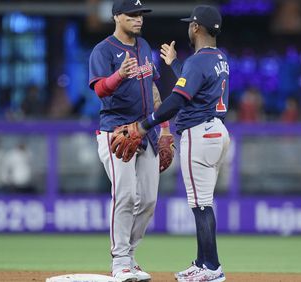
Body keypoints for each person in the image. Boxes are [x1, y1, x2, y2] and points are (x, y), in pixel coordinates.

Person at [110, 5, 229, 282]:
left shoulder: (197, 62)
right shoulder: (219, 58)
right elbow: (196, 83)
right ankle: (203, 262)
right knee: (205, 203)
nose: (188, 27)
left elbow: (176, 101)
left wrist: (144, 125)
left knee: (200, 205)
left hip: (199, 133)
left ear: (196, 28)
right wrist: (175, 64)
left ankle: (211, 267)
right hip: (218, 132)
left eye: (191, 24)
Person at [88, 0, 174, 281]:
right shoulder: (103, 50)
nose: (139, 19)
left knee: (148, 199)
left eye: (141, 14)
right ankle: (120, 261)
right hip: (116, 132)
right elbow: (100, 89)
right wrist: (118, 75)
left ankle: (131, 257)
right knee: (126, 195)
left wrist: (164, 129)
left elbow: (153, 88)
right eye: (132, 15)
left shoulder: (144, 46)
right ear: (117, 17)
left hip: (146, 132)